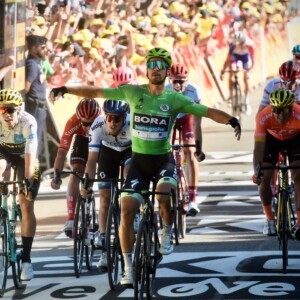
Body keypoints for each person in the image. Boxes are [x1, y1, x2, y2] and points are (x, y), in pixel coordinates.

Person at [49, 47, 241, 288]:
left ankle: (168, 230)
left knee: (163, 196)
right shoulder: (132, 92)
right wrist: (66, 89)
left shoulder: (174, 98)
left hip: (162, 160)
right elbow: (97, 91)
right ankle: (128, 267)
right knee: (126, 209)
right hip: (139, 162)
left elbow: (206, 111)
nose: (156, 69)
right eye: (152, 65)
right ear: (147, 68)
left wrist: (231, 119)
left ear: (166, 71)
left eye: (161, 66)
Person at [80, 99, 132, 271]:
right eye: (109, 118)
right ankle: (104, 245)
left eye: (117, 119)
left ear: (125, 118)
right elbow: (92, 159)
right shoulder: (97, 125)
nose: (112, 122)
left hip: (129, 152)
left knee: (128, 179)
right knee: (104, 199)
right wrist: (87, 183)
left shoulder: (133, 125)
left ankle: (135, 213)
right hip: (108, 154)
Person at [0, 88, 41, 280]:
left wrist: (28, 181)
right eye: (2, 110)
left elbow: (31, 156)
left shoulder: (28, 121)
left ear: (19, 110)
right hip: (4, 154)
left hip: (25, 156)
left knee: (26, 204)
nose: (6, 114)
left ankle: (26, 260)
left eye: (10, 110)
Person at [252, 88, 300, 238]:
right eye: (276, 110)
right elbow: (258, 147)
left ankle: (299, 222)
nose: (280, 115)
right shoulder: (263, 116)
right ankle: (269, 218)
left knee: (299, 176)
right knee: (264, 178)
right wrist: (256, 171)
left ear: (291, 109)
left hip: (296, 139)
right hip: (271, 140)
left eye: (284, 110)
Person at [50, 98, 101, 237]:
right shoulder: (73, 122)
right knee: (76, 171)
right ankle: (71, 218)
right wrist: (57, 176)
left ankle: (103, 213)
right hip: (83, 141)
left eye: (91, 123)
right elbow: (61, 153)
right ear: (79, 119)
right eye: (85, 124)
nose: (88, 128)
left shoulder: (104, 121)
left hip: (101, 140)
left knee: (104, 174)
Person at [166, 63, 204, 216]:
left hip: (187, 119)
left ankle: (193, 199)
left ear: (186, 81)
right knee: (165, 151)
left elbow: (197, 123)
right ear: (170, 81)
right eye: (174, 81)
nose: (177, 84)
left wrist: (199, 148)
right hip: (171, 119)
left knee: (189, 150)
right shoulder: (164, 92)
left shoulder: (194, 92)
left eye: (181, 81)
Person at [220, 30, 255, 115]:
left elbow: (253, 61)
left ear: (244, 41)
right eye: (238, 44)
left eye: (241, 43)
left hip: (245, 58)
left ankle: (246, 100)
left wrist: (249, 72)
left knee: (245, 78)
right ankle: (231, 97)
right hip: (235, 58)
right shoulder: (232, 45)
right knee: (231, 73)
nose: (240, 45)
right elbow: (227, 60)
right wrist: (223, 71)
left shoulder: (250, 45)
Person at [25, 35, 48, 157]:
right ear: (34, 48)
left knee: (37, 140)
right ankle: (31, 172)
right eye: (42, 47)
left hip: (40, 107)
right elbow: (25, 87)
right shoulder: (32, 64)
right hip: (35, 106)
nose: (45, 50)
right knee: (33, 140)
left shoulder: (37, 63)